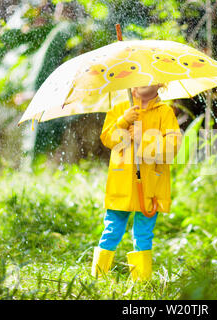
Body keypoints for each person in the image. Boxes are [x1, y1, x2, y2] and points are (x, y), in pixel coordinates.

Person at [91, 84, 182, 281]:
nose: (143, 82)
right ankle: (98, 276)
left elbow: (173, 147)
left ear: (160, 83)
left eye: (149, 79)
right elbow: (107, 138)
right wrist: (123, 121)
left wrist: (145, 141)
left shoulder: (164, 112)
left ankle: (141, 280)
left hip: (150, 183)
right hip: (122, 182)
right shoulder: (120, 108)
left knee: (144, 233)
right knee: (113, 228)